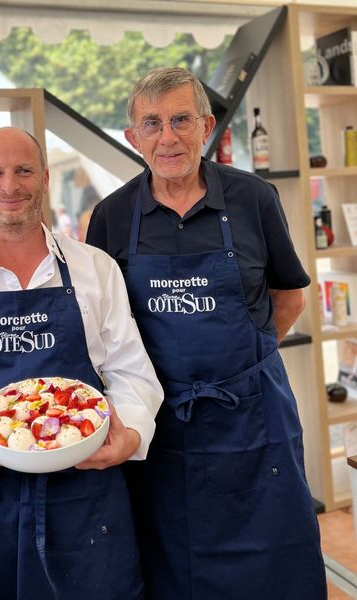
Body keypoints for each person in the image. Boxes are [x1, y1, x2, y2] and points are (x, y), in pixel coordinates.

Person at [85, 67, 327, 600]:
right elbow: (104, 330)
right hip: (165, 430)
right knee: (174, 565)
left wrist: (246, 368)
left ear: (206, 125)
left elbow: (289, 296)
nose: (167, 137)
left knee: (277, 561)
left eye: (180, 120)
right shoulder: (111, 216)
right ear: (133, 137)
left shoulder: (253, 198)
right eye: (152, 124)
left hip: (256, 424)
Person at [0, 126, 163, 599]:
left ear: (44, 178)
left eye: (23, 171)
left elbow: (131, 373)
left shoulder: (95, 268)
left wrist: (129, 435)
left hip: (85, 497)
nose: (10, 186)